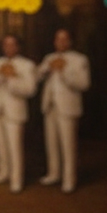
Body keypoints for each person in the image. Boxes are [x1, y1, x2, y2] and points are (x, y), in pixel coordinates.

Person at [37, 29, 90, 193]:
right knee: (51, 142)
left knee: (68, 145)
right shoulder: (49, 58)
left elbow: (84, 84)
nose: (61, 42)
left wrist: (64, 71)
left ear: (70, 42)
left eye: (64, 39)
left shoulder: (79, 59)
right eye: (58, 39)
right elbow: (36, 76)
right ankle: (54, 173)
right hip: (50, 105)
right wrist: (45, 69)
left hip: (68, 107)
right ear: (54, 42)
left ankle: (69, 180)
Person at [0, 34, 37, 193]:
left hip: (15, 111)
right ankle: (3, 172)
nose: (8, 48)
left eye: (12, 45)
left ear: (18, 47)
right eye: (5, 45)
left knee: (14, 147)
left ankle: (16, 180)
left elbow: (30, 90)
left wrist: (11, 79)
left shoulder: (26, 65)